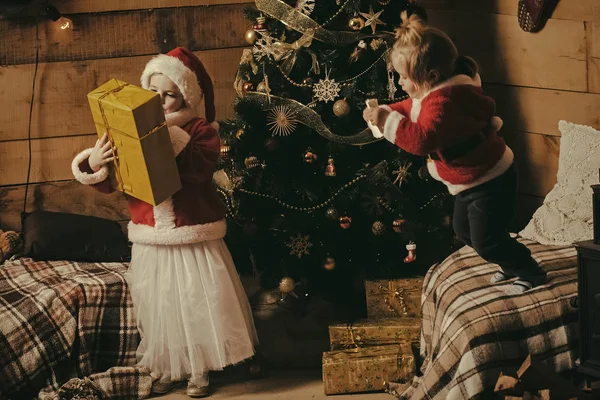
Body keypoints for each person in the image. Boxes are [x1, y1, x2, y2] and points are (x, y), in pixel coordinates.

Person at [72, 47, 258, 397]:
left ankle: (199, 369)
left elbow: (199, 169)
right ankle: (171, 366)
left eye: (169, 95)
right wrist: (94, 160)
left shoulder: (201, 130)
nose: (160, 100)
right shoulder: (127, 130)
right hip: (151, 234)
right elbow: (109, 180)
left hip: (191, 233)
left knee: (195, 301)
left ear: (185, 96)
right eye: (153, 93)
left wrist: (162, 134)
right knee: (162, 304)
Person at [363, 12, 546, 294]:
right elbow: (411, 106)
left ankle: (528, 270)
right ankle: (508, 262)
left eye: (404, 77)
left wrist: (386, 122)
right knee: (464, 231)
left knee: (487, 239)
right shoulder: (432, 93)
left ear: (431, 77)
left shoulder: (445, 104)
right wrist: (385, 111)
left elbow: (421, 140)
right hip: (468, 179)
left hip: (490, 178)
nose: (400, 83)